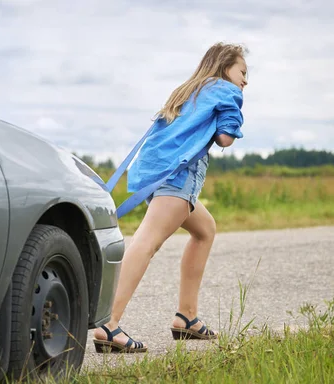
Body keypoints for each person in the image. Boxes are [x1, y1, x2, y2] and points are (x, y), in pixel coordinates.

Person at [93, 42, 248, 353]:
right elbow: (225, 139)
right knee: (145, 242)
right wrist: (233, 115)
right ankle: (108, 324)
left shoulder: (188, 90)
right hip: (180, 176)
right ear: (225, 66)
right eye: (243, 72)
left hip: (157, 174)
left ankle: (186, 317)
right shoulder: (225, 91)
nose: (245, 80)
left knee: (205, 230)